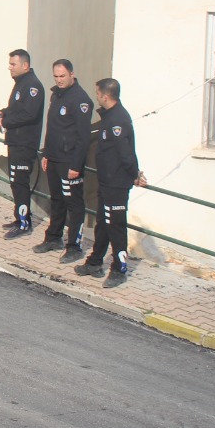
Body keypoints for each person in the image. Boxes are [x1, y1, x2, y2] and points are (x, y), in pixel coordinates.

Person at [77, 78, 146, 285]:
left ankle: (119, 269)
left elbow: (126, 154)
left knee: (116, 226)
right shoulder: (109, 117)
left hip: (117, 183)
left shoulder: (118, 120)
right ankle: (95, 261)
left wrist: (135, 175)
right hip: (105, 181)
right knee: (103, 224)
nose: (96, 97)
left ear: (105, 96)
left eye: (98, 94)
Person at [35, 59, 93, 259]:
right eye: (56, 76)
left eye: (62, 76)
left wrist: (76, 165)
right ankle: (53, 238)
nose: (59, 80)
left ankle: (74, 247)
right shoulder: (56, 95)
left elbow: (84, 137)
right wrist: (46, 154)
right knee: (57, 200)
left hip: (70, 162)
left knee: (74, 204)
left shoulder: (81, 100)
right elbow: (53, 128)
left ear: (72, 74)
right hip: (54, 159)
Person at [0, 49, 45, 237]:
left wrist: (4, 122)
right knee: (15, 181)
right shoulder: (21, 84)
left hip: (25, 144)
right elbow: (17, 109)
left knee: (21, 182)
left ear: (25, 65)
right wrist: (3, 112)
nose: (10, 67)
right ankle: (19, 217)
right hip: (15, 141)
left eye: (13, 64)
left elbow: (28, 114)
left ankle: (24, 223)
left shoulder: (33, 86)